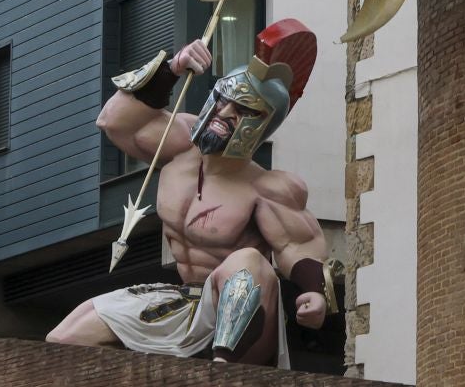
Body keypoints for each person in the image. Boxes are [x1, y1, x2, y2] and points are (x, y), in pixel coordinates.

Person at [46, 19, 330, 366]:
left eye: (241, 110)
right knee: (62, 340)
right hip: (183, 302)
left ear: (260, 126)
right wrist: (173, 67)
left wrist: (313, 291)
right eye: (222, 100)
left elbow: (296, 246)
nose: (224, 113)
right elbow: (113, 122)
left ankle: (219, 376)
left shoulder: (267, 187)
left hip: (245, 319)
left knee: (249, 263)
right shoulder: (178, 142)